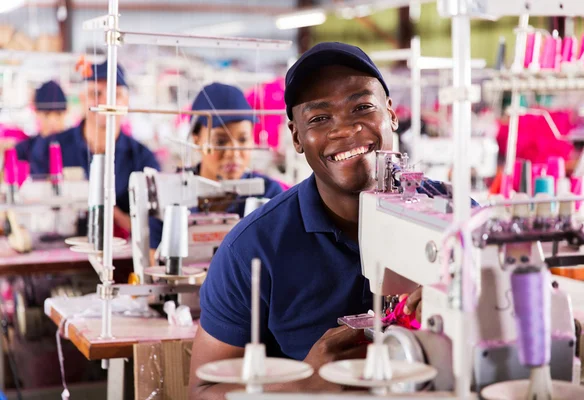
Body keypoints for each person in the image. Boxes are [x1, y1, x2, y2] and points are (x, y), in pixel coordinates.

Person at [189, 42, 464, 399]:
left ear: (392, 115)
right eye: (319, 118)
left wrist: (459, 305)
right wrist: (302, 386)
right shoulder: (251, 250)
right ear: (297, 137)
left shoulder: (459, 221)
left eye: (362, 107)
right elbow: (202, 389)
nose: (344, 130)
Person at [148, 83, 284, 251]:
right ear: (196, 139)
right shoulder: (169, 194)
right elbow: (155, 266)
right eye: (220, 141)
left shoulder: (269, 194)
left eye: (243, 140)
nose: (233, 153)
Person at [28, 61, 160, 235]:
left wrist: (114, 214)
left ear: (126, 102)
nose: (105, 102)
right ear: (82, 98)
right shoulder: (49, 148)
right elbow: (34, 209)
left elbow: (153, 227)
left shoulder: (143, 158)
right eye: (95, 93)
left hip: (123, 259)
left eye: (116, 95)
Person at [15, 80, 68, 161]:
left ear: (66, 112)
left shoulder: (76, 146)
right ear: (36, 112)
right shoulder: (24, 150)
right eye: (46, 115)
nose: (52, 121)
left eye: (58, 114)